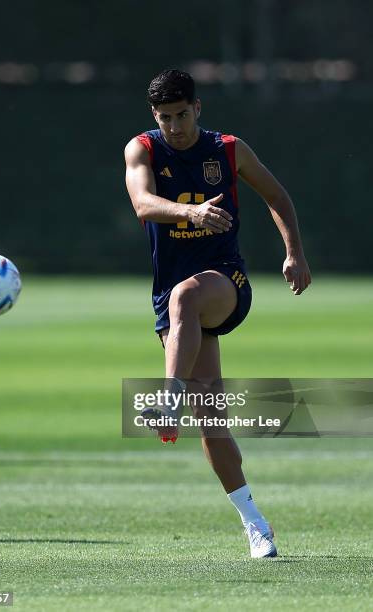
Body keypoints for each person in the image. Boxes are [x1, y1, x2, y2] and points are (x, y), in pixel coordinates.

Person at [124, 69, 311, 559]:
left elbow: (278, 196)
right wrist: (193, 213)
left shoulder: (228, 148)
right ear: (154, 117)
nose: (175, 127)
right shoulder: (142, 149)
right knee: (212, 424)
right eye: (165, 118)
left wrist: (294, 253)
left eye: (182, 115)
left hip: (226, 282)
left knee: (189, 297)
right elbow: (143, 204)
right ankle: (256, 524)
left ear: (198, 108)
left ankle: (167, 399)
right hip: (170, 298)